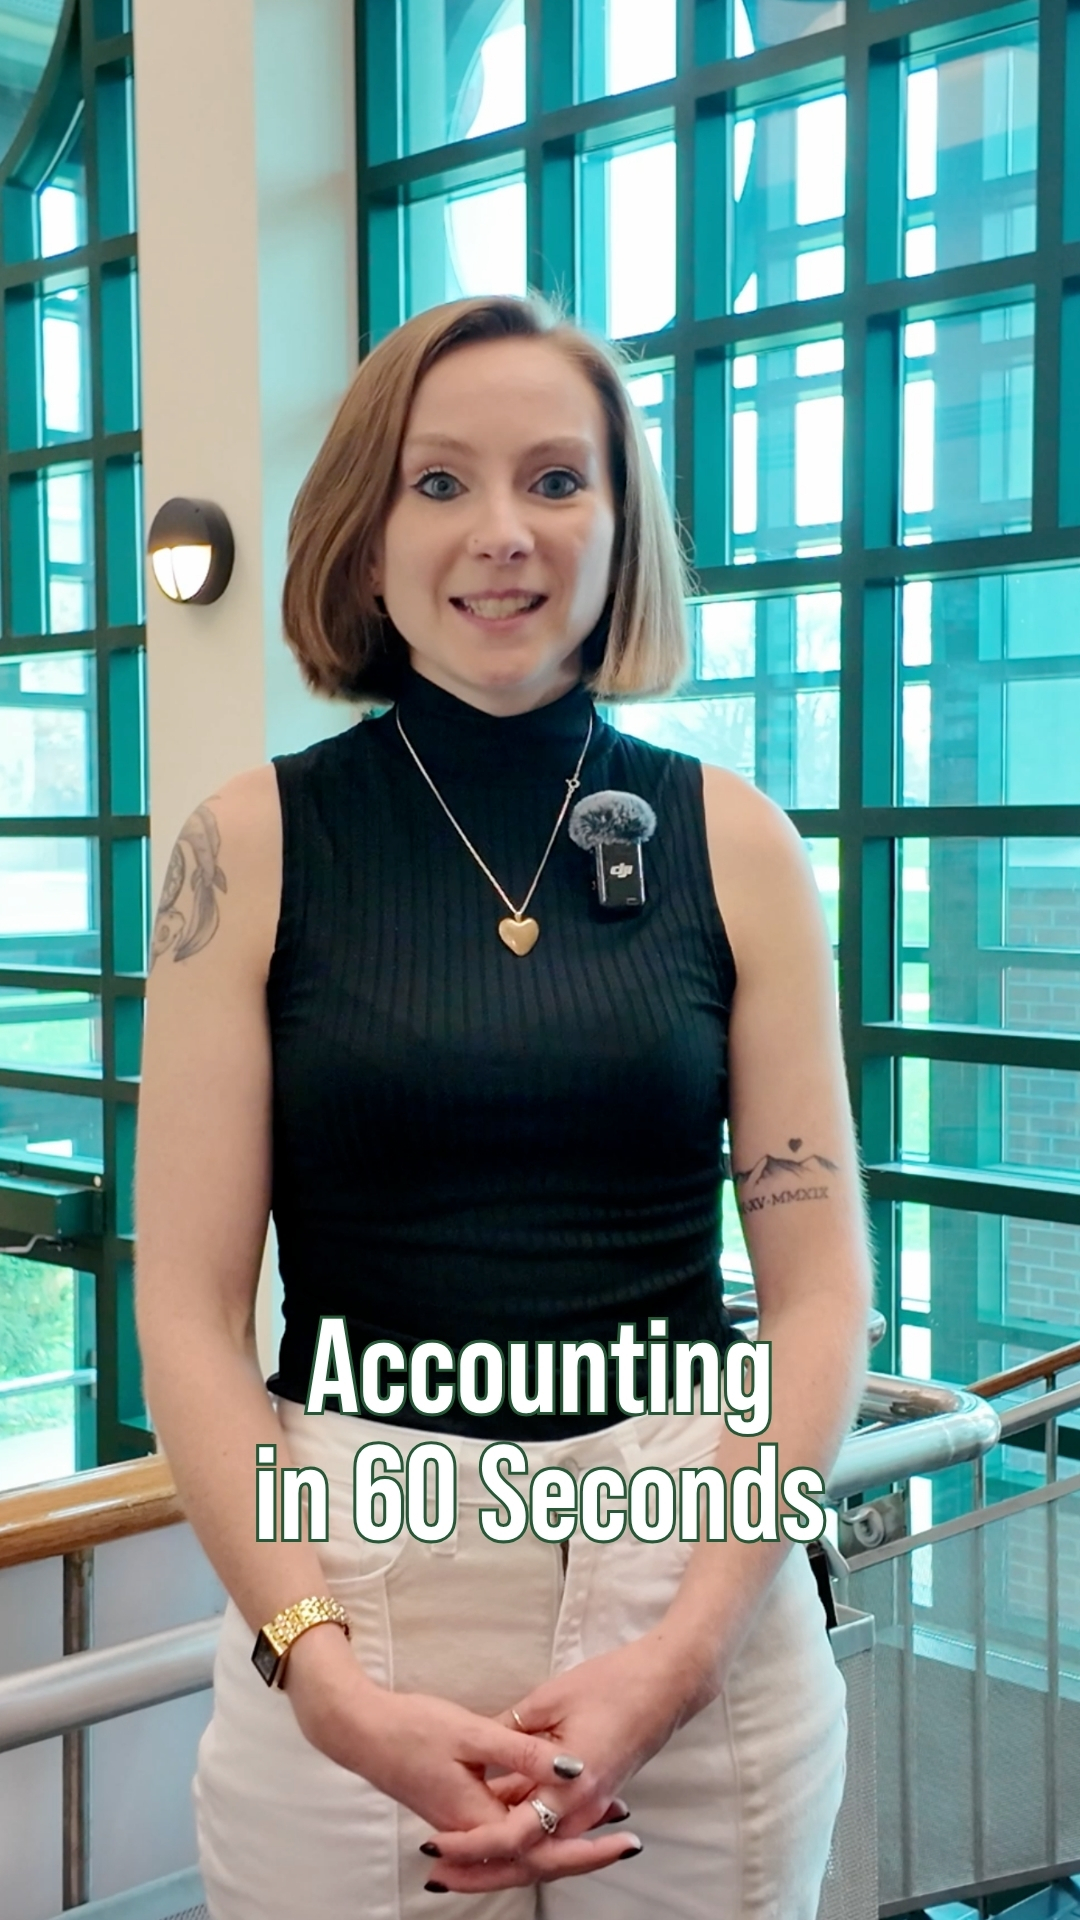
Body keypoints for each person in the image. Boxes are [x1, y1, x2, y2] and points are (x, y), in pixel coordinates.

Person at [134, 290, 872, 1920]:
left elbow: (822, 1293)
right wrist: (321, 1673)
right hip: (351, 1577)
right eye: (439, 481)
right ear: (366, 531)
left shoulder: (737, 842)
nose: (503, 533)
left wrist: (688, 1651)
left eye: (556, 479)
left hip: (693, 1572)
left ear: (620, 527)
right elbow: (184, 1306)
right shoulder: (244, 847)